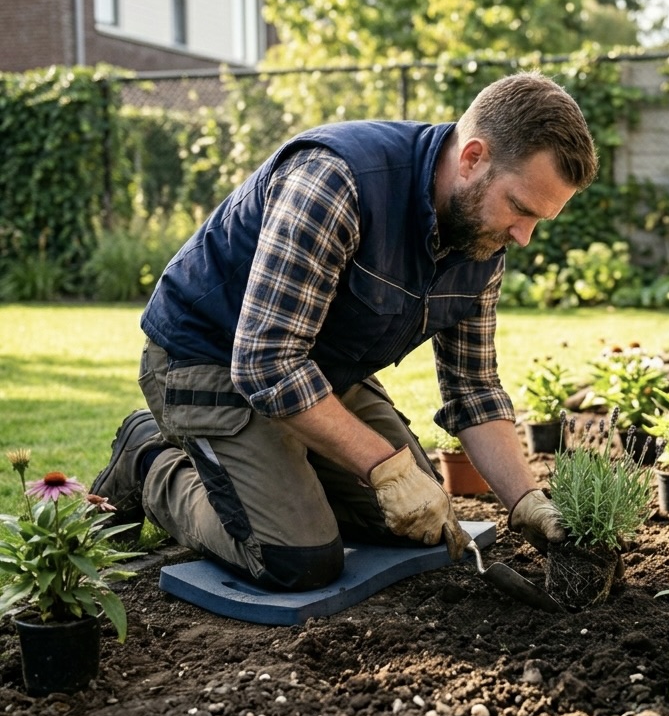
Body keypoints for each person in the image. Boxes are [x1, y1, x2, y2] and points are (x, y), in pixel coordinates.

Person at [92, 71, 599, 592]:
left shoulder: (481, 241)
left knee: (421, 525)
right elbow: (266, 363)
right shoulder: (338, 182)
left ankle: (285, 467)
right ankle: (149, 457)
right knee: (297, 557)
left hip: (314, 373)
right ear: (473, 158)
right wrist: (386, 468)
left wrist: (526, 501)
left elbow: (472, 388)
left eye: (540, 220)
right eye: (520, 207)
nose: (524, 235)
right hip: (208, 363)